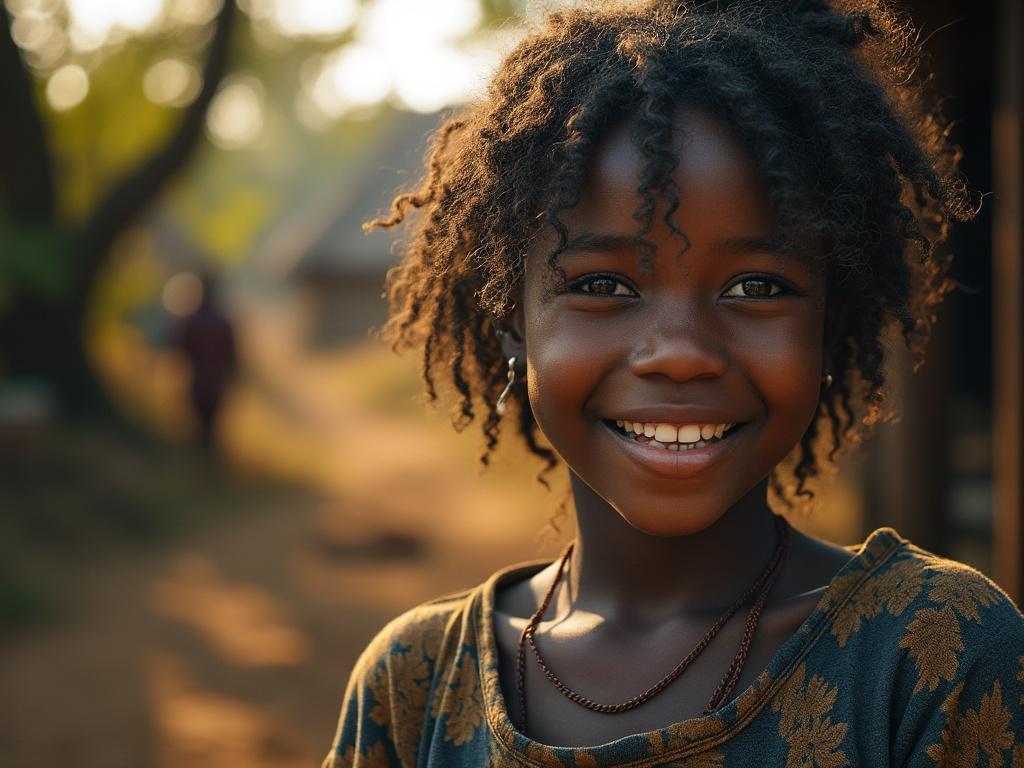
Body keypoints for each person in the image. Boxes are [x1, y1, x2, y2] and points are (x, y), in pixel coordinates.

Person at [323, 1, 1024, 765]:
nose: (680, 354)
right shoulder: (412, 687)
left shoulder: (934, 657)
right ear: (511, 324)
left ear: (828, 323)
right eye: (603, 284)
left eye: (757, 287)